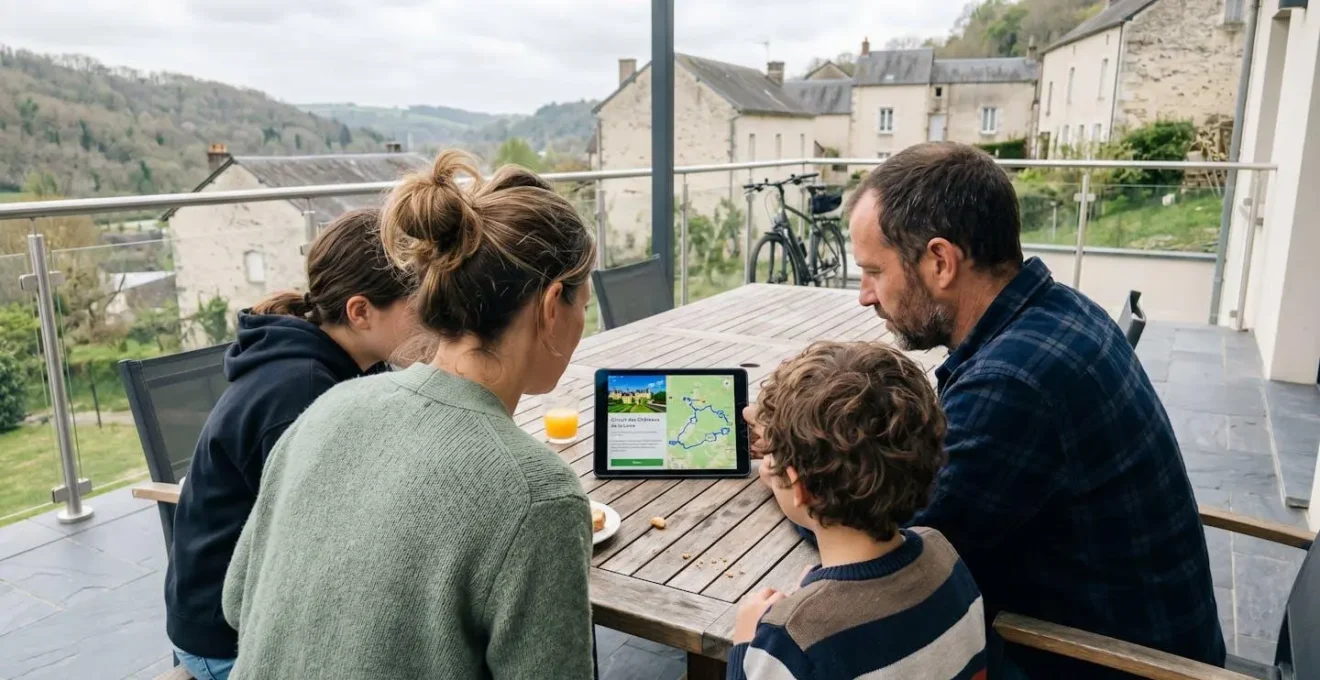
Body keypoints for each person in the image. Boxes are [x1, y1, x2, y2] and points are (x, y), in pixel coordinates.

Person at [845, 142, 1224, 678]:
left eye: (873, 271)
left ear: (940, 261)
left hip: (1105, 663)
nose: (864, 295)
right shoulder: (1056, 311)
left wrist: (800, 479)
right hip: (1139, 638)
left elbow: (891, 550)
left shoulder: (1015, 382)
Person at [221, 151, 597, 680]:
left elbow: (238, 602)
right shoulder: (538, 495)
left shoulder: (330, 406)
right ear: (553, 304)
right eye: (585, 304)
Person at [166, 209, 418, 680]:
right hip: (227, 636)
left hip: (239, 606)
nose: (435, 315)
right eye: (420, 302)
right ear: (360, 312)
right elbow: (330, 552)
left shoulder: (348, 363)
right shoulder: (301, 392)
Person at [730, 341, 986, 680]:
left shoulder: (788, 639)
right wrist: (816, 593)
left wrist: (746, 645)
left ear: (800, 487)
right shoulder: (944, 554)